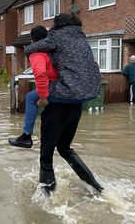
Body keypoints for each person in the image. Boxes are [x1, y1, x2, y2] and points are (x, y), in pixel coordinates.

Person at [24, 13, 103, 194]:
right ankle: (96, 188)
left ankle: (48, 199)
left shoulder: (56, 37)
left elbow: (34, 49)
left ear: (57, 25)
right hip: (79, 100)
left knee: (46, 154)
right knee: (65, 148)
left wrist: (29, 49)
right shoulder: (82, 38)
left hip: (60, 98)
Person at [8, 25, 58, 148]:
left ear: (32, 39)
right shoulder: (52, 48)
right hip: (62, 83)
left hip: (53, 85)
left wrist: (42, 97)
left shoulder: (37, 53)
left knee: (30, 97)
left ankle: (26, 135)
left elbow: (41, 73)